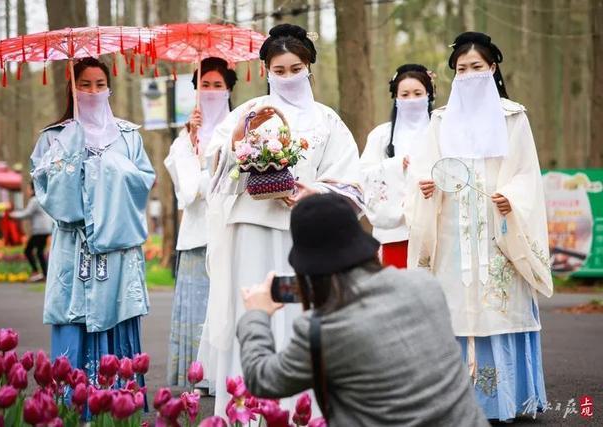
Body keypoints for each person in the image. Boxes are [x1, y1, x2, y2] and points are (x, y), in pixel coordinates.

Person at [198, 24, 363, 415]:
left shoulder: (328, 121)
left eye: (295, 68)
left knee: (296, 314)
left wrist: (314, 192)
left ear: (309, 68)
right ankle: (246, 410)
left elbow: (352, 183)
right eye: (279, 70)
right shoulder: (247, 113)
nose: (288, 76)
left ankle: (301, 411)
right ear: (266, 71)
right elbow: (213, 171)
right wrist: (238, 141)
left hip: (303, 236)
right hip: (250, 233)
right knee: (254, 311)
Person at [237, 193, 489, 426]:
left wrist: (256, 314)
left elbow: (263, 379)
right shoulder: (425, 286)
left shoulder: (323, 329)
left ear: (307, 269)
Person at [407, 32, 551, 422]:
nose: (469, 75)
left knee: (498, 311)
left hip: (498, 232)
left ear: (493, 69)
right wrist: (425, 186)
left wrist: (512, 198)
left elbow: (527, 173)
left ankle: (503, 399)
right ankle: (453, 401)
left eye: (476, 68)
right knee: (453, 312)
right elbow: (425, 169)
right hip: (451, 235)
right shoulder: (439, 120)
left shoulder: (513, 116)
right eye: (461, 69)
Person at [30, 57, 155, 382]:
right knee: (74, 316)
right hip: (74, 248)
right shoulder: (54, 138)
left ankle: (118, 403)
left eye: (99, 85)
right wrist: (71, 157)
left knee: (117, 312)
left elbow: (142, 183)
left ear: (109, 88)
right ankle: (72, 399)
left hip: (118, 248)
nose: (92, 91)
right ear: (71, 89)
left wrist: (106, 168)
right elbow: (50, 196)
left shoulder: (129, 136)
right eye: (84, 84)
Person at [163, 57, 237, 389]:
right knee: (200, 307)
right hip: (195, 237)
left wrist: (212, 176)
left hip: (231, 232)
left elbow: (237, 182)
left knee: (226, 304)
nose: (210, 91)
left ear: (229, 89)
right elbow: (189, 193)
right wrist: (196, 149)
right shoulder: (182, 141)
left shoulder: (240, 132)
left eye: (217, 85)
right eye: (204, 85)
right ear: (195, 91)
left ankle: (227, 373)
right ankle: (199, 374)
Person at [360, 64, 434, 268]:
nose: (411, 99)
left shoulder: (442, 132)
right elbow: (363, 178)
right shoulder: (380, 136)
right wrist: (394, 166)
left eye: (418, 93)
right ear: (396, 98)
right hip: (395, 232)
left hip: (435, 230)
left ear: (429, 95)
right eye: (405, 94)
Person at [10, 182, 54, 282]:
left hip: (40, 230)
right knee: (39, 252)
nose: (27, 191)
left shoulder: (34, 200)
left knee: (28, 251)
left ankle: (38, 272)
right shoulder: (42, 198)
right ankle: (44, 274)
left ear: (33, 189)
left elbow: (26, 213)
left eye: (28, 188)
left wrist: (11, 215)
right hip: (45, 229)